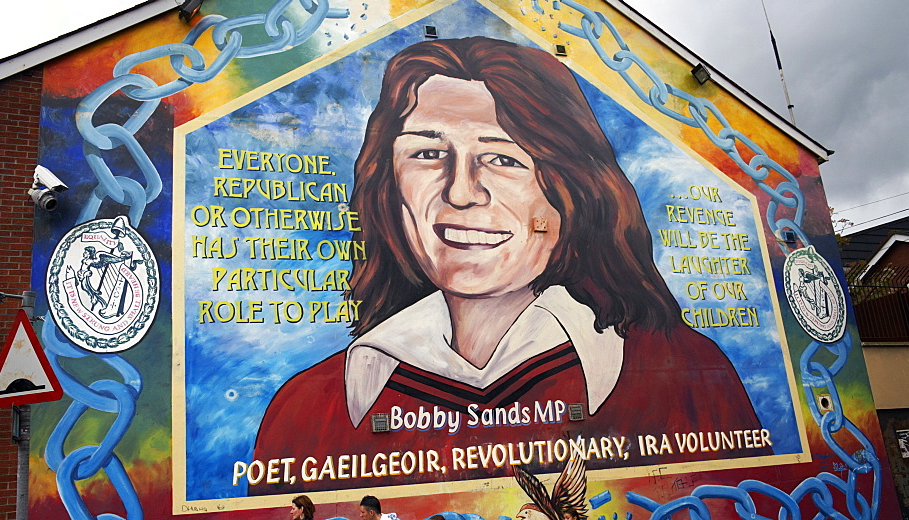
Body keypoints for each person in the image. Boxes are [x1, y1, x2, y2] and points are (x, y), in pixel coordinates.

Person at [256, 37, 761, 489]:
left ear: (572, 189)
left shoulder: (679, 373)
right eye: (428, 154)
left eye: (503, 159)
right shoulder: (309, 409)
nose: (461, 192)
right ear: (389, 187)